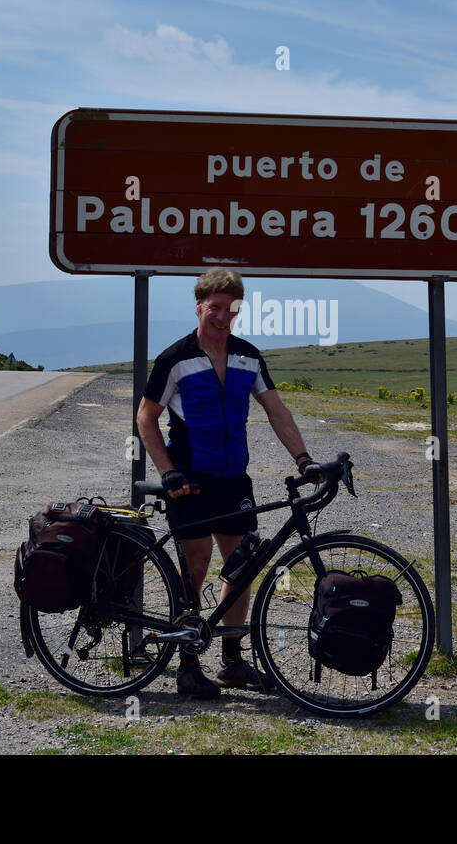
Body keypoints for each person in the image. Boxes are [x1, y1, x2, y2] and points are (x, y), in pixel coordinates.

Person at [136, 267, 318, 698]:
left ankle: (233, 660)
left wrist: (304, 459)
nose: (222, 316)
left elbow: (277, 411)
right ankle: (187, 664)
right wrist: (167, 471)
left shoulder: (247, 356)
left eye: (231, 309)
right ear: (198, 305)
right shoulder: (175, 359)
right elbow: (146, 417)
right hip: (190, 480)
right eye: (215, 307)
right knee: (196, 569)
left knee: (241, 569)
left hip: (233, 478)